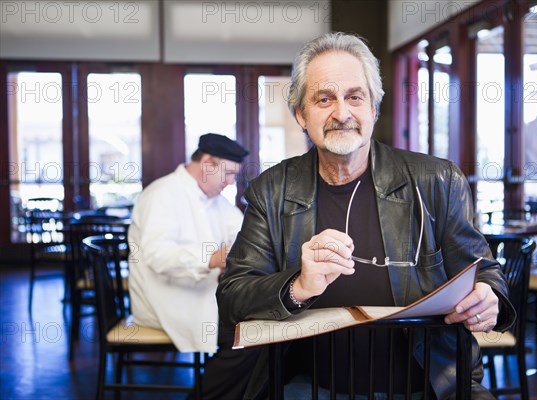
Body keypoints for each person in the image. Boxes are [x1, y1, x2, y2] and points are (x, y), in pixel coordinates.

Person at [217, 33, 516, 399]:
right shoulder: (271, 190)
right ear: (300, 114)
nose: (341, 113)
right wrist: (297, 287)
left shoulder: (436, 180)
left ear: (373, 108)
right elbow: (232, 298)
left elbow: (482, 270)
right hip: (308, 388)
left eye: (355, 97)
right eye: (324, 99)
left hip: (428, 386)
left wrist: (488, 295)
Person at [128, 133, 258, 399]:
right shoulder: (163, 194)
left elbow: (244, 235)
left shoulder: (214, 200)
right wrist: (212, 258)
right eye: (228, 173)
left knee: (262, 330)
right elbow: (157, 255)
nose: (231, 182)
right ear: (207, 162)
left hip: (198, 293)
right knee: (249, 338)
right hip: (165, 300)